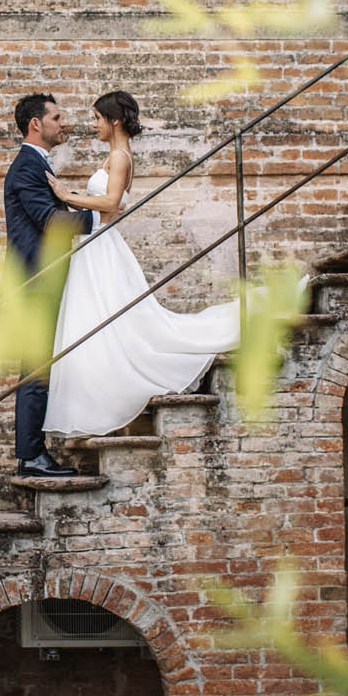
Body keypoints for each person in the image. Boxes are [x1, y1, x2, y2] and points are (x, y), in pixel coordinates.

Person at [44, 89, 240, 437]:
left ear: (114, 120)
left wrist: (66, 195)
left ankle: (113, 397)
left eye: (97, 118)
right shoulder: (113, 155)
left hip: (102, 245)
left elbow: (112, 203)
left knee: (113, 322)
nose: (93, 125)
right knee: (99, 324)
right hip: (93, 246)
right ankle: (98, 399)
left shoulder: (120, 157)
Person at [2, 92, 90, 478]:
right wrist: (97, 216)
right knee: (36, 367)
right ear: (36, 124)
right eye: (56, 117)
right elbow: (50, 223)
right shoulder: (25, 168)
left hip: (42, 279)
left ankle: (32, 454)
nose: (63, 123)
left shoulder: (36, 166)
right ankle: (31, 456)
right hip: (34, 281)